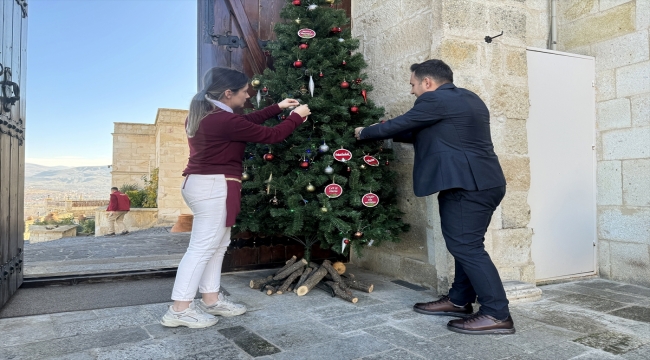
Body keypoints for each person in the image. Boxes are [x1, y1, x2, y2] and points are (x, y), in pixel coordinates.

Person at [354, 59, 514, 335]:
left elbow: (404, 123)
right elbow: (429, 132)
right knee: (467, 245)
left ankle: (497, 314)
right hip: (482, 182)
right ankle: (458, 300)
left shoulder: (435, 100)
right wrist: (391, 130)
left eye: (413, 84)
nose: (412, 91)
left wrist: (364, 132)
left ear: (427, 82)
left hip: (468, 186)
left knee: (467, 247)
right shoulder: (467, 99)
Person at [160, 67, 310, 329]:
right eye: (243, 92)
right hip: (213, 186)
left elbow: (247, 122)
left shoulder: (209, 114)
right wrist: (296, 117)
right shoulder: (222, 120)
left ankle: (211, 299)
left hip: (205, 184)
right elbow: (272, 135)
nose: (247, 95)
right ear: (228, 93)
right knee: (202, 248)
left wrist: (277, 107)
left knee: (216, 246)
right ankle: (179, 309)